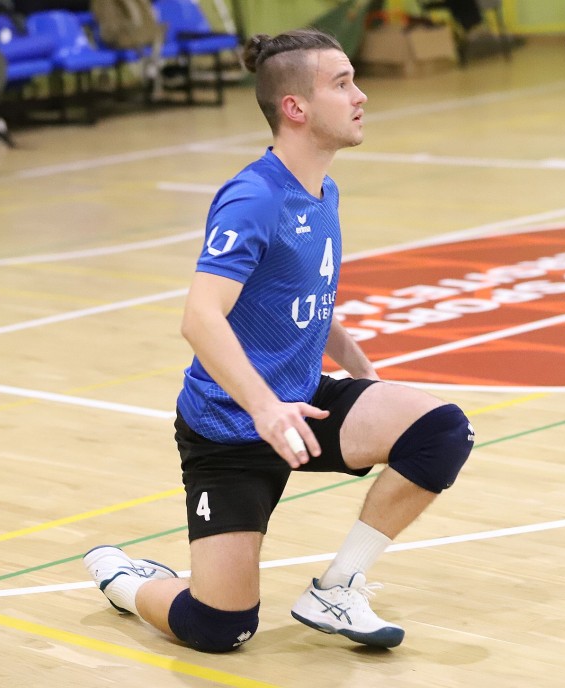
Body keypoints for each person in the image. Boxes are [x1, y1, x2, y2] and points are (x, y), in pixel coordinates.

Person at [84, 28, 474, 653]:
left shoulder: (323, 190)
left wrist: (362, 370)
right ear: (295, 107)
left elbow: (306, 296)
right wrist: (265, 409)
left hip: (302, 404)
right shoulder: (253, 198)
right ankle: (128, 582)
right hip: (230, 431)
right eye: (342, 84)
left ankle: (337, 587)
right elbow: (200, 317)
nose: (361, 96)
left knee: (442, 430)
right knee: (221, 628)